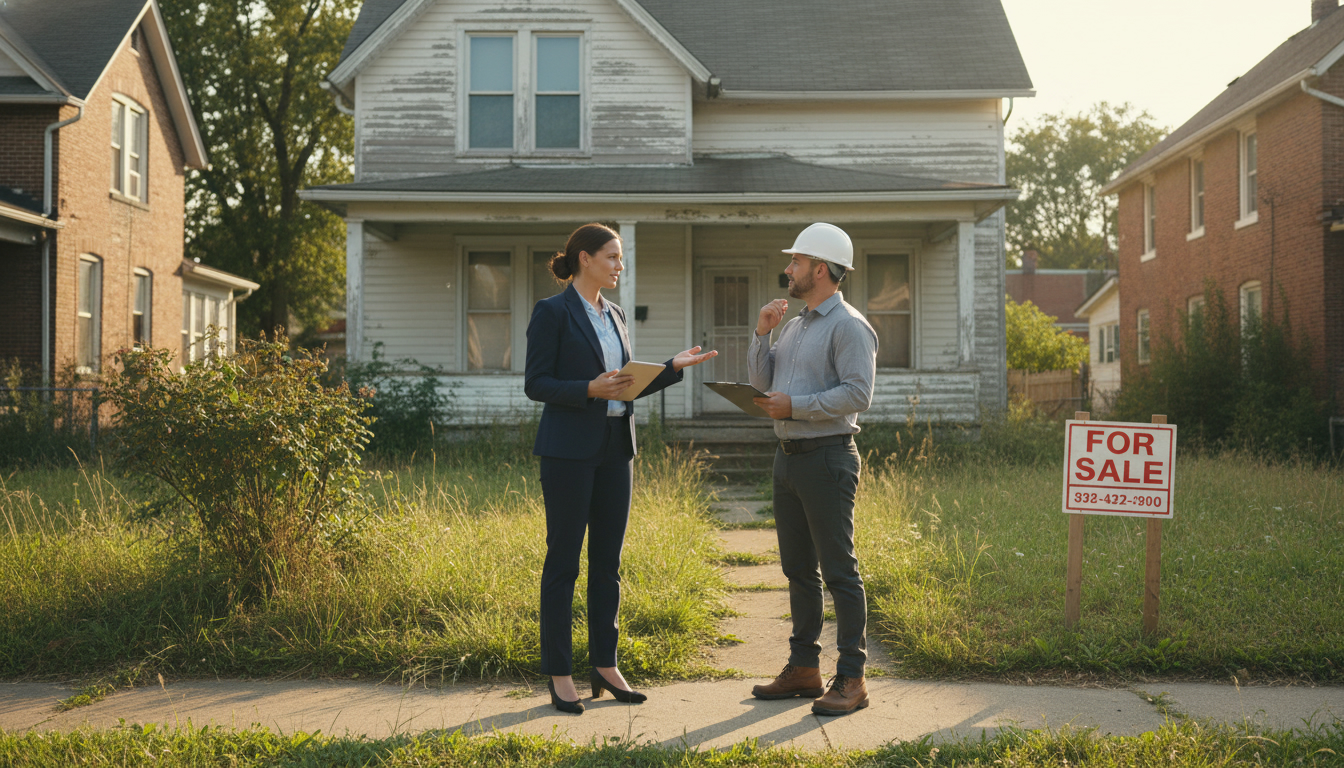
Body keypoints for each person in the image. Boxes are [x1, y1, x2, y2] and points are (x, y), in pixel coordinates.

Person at [524, 222, 716, 715]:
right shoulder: (552, 312)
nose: (619, 265)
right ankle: (560, 673)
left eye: (620, 257)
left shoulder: (615, 315)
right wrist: (588, 388)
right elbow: (537, 383)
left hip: (616, 449)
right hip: (568, 452)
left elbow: (624, 386)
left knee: (607, 565)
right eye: (612, 257)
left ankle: (605, 666)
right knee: (563, 563)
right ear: (584, 258)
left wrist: (670, 369)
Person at [747, 222, 878, 716]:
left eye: (796, 262)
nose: (788, 269)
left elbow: (858, 393)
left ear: (820, 269)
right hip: (788, 459)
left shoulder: (849, 326)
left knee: (839, 571)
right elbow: (762, 382)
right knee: (798, 570)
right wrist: (762, 333)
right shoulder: (796, 324)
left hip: (827, 456)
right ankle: (804, 668)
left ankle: (853, 678)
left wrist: (795, 407)